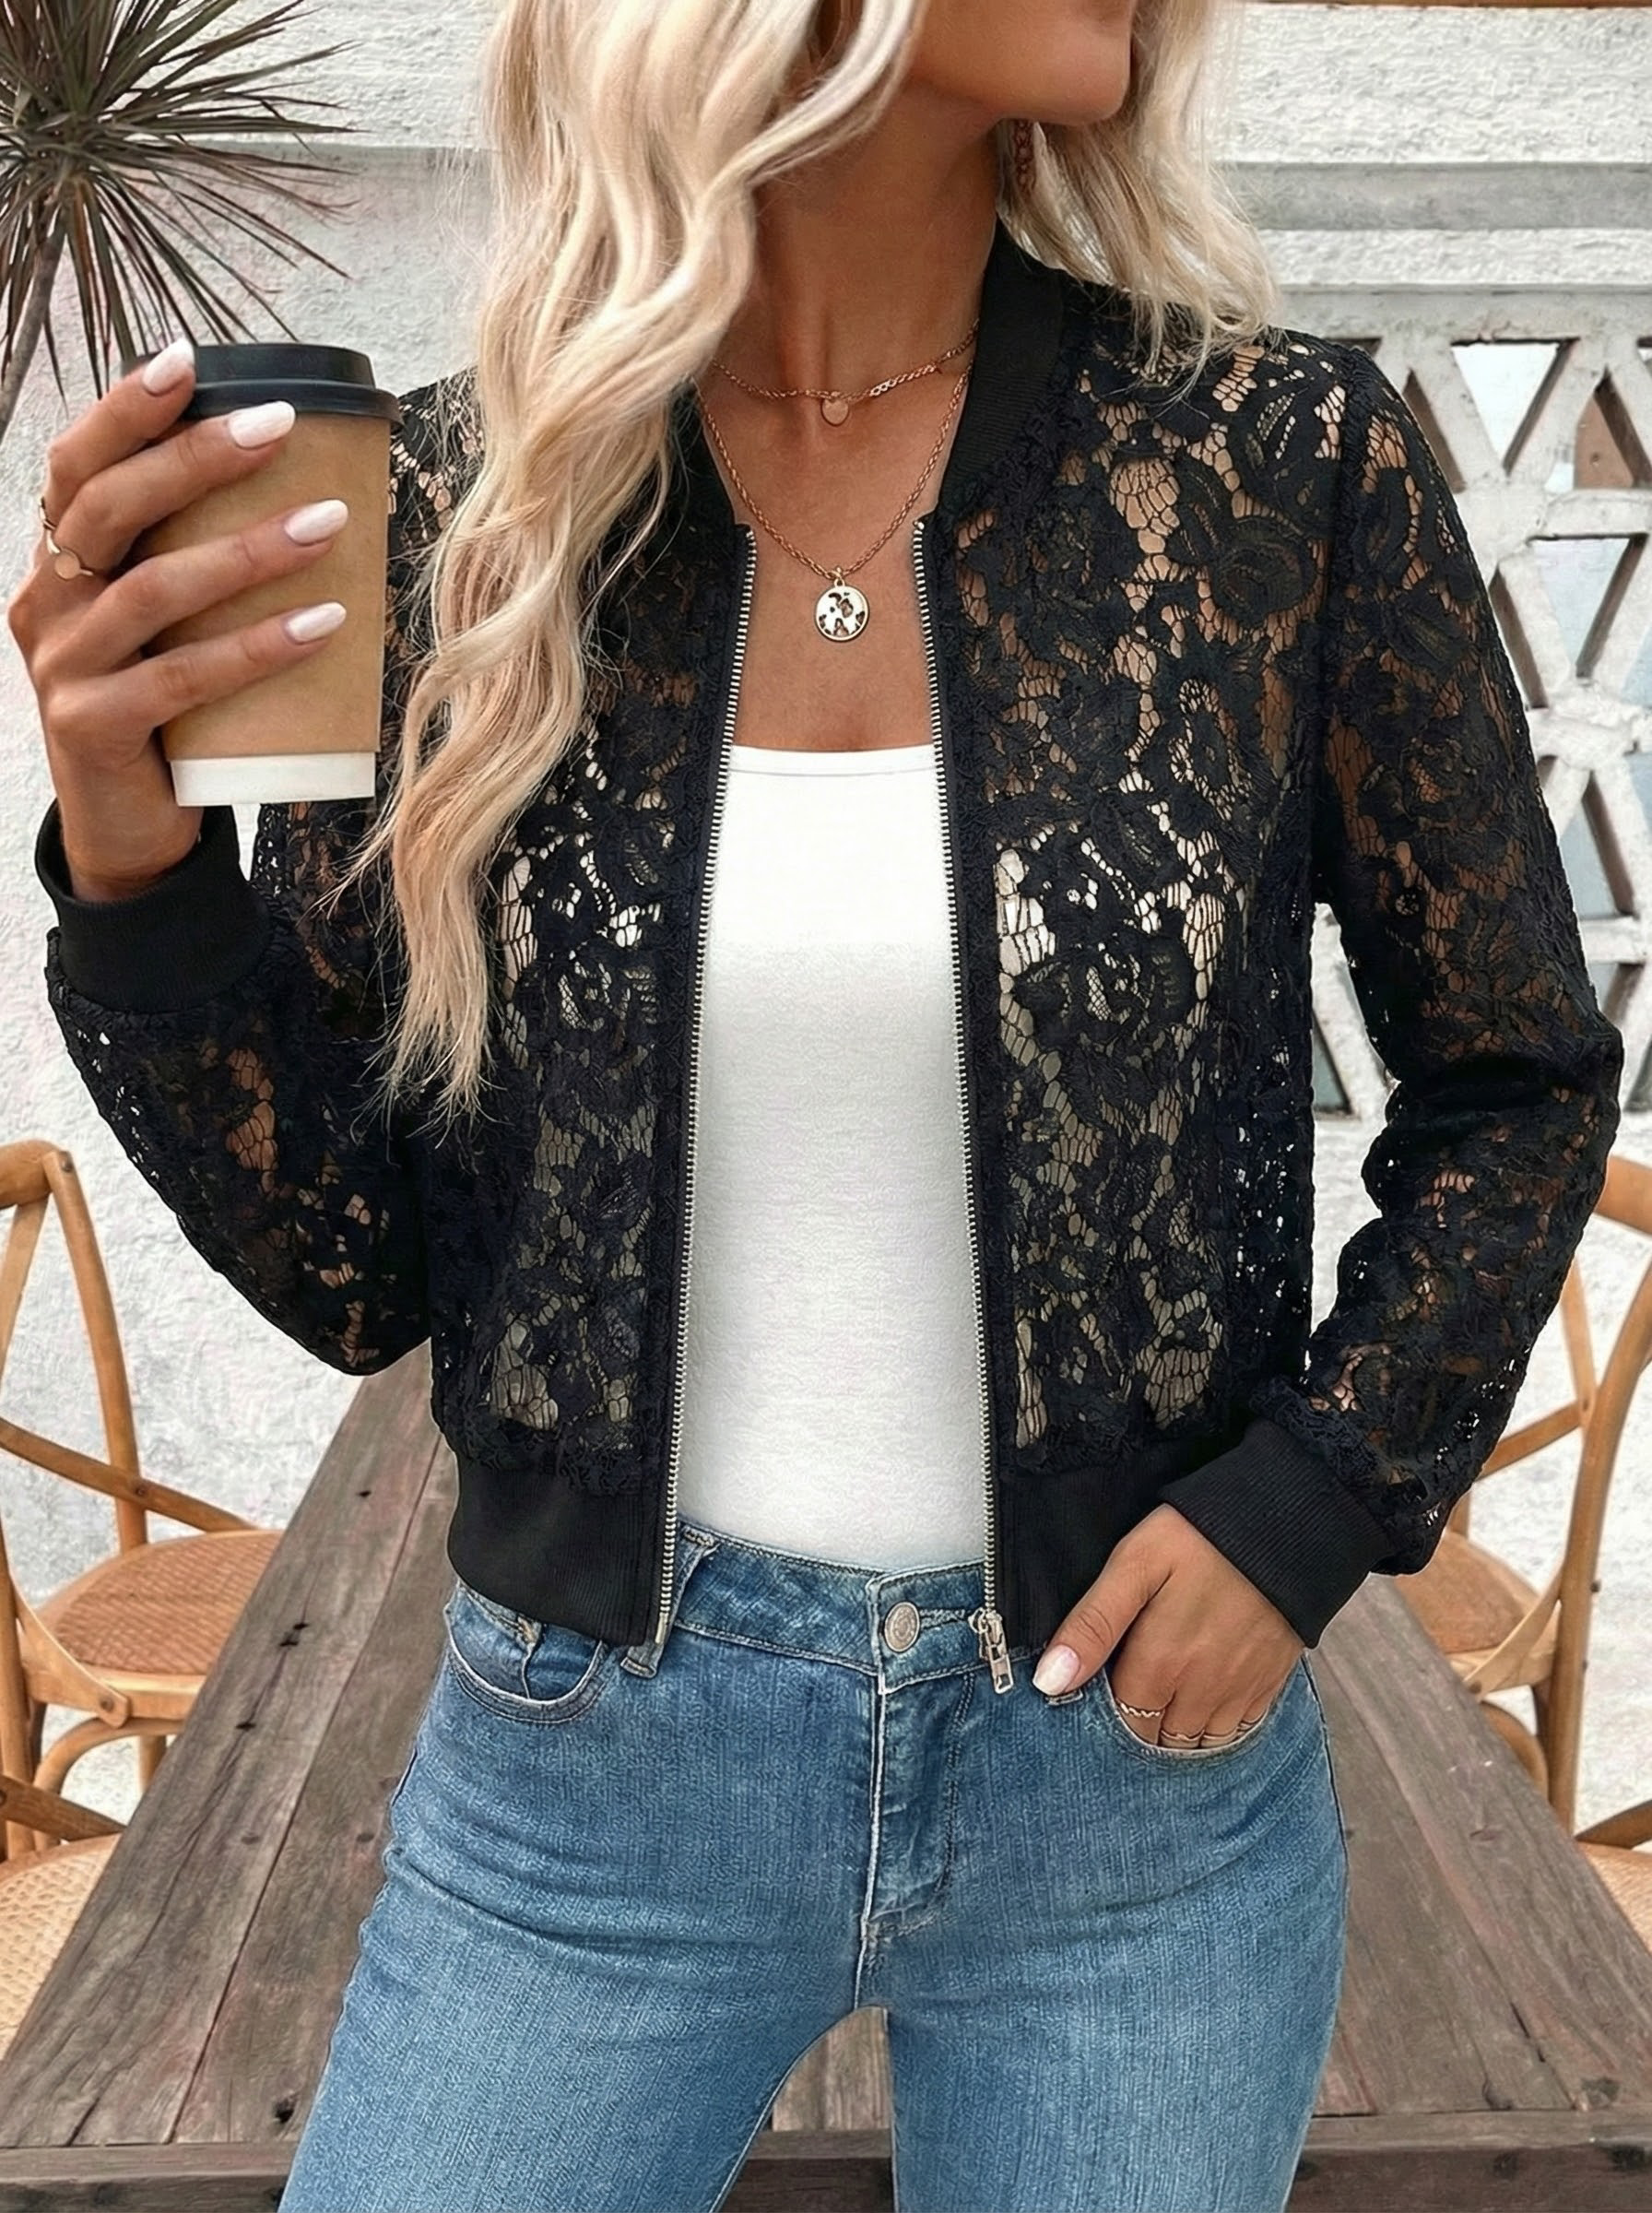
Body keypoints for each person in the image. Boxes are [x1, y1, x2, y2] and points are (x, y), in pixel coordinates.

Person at [15, 0, 1622, 2207]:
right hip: (588, 1786)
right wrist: (131, 865)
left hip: (1129, 1798)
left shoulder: (1273, 462)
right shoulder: (474, 519)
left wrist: (1312, 1499)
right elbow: (353, 1270)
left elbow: (1514, 1072)